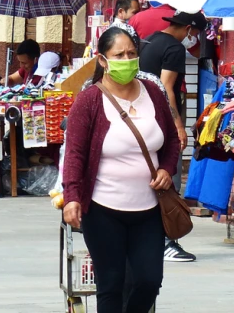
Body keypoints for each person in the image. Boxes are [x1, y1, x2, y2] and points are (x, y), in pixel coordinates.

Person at [62, 27, 180, 313]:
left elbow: (172, 140)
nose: (127, 60)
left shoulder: (152, 91)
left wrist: (166, 168)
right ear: (103, 60)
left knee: (148, 281)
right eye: (119, 55)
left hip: (149, 208)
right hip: (103, 209)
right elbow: (74, 153)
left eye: (131, 53)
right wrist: (73, 196)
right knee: (111, 284)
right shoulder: (89, 100)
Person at [139, 10, 206, 262]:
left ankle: (151, 239)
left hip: (141, 118)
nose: (195, 40)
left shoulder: (149, 41)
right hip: (161, 122)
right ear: (189, 29)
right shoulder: (174, 49)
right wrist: (178, 125)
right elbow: (166, 87)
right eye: (196, 34)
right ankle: (167, 242)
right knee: (169, 179)